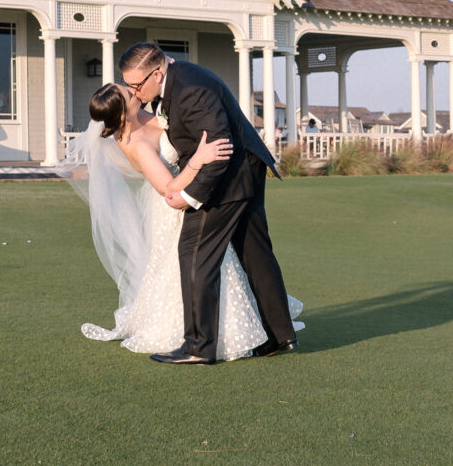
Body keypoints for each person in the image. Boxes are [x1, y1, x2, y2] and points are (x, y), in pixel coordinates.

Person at [67, 83, 303, 361]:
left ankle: (240, 326)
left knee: (221, 259)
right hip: (175, 205)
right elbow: (168, 187)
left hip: (199, 193)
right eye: (130, 94)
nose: (135, 91)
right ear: (121, 115)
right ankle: (198, 333)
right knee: (190, 264)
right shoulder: (134, 142)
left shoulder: (151, 111)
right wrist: (199, 160)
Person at [118, 42, 300, 365]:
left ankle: (199, 347)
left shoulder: (189, 90)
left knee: (194, 252)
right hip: (245, 169)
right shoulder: (176, 80)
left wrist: (187, 197)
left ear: (157, 74)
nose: (133, 93)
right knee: (255, 253)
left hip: (228, 176)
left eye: (136, 85)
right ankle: (280, 336)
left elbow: (220, 149)